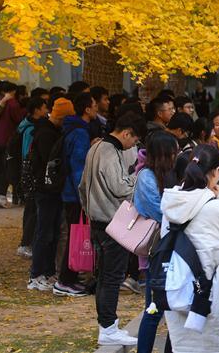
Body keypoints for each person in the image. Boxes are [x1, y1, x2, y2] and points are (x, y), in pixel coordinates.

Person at [156, 145, 219, 353]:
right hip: (217, 301)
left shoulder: (171, 204)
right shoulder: (218, 208)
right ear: (217, 171)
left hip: (180, 296)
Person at [79, 112, 144, 346]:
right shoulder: (108, 150)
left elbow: (82, 186)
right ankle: (108, 327)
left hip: (98, 220)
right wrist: (140, 178)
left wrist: (89, 209)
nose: (133, 146)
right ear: (126, 133)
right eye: (134, 141)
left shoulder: (96, 148)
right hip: (110, 223)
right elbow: (118, 187)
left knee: (106, 276)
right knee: (111, 277)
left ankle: (107, 325)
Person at [135, 131, 179, 353]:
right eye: (173, 152)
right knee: (153, 310)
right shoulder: (146, 177)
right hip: (158, 252)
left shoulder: (170, 174)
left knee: (175, 310)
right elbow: (160, 212)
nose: (176, 155)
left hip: (176, 250)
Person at [54, 93, 96, 296]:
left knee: (73, 235)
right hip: (73, 194)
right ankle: (65, 280)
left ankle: (68, 278)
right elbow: (78, 166)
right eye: (94, 105)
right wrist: (83, 193)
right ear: (87, 109)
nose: (96, 108)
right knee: (74, 236)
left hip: (69, 192)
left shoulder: (74, 130)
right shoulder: (80, 133)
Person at [26, 97, 64, 292]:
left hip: (51, 189)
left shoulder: (50, 131)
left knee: (52, 232)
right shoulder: (47, 134)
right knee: (44, 232)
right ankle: (36, 274)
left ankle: (46, 272)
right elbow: (50, 160)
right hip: (46, 189)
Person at [16, 96, 48, 258]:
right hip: (30, 173)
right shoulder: (29, 129)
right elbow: (26, 153)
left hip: (30, 173)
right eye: (44, 107)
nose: (47, 110)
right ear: (36, 110)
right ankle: (25, 243)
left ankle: (27, 242)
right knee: (31, 209)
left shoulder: (30, 126)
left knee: (32, 209)